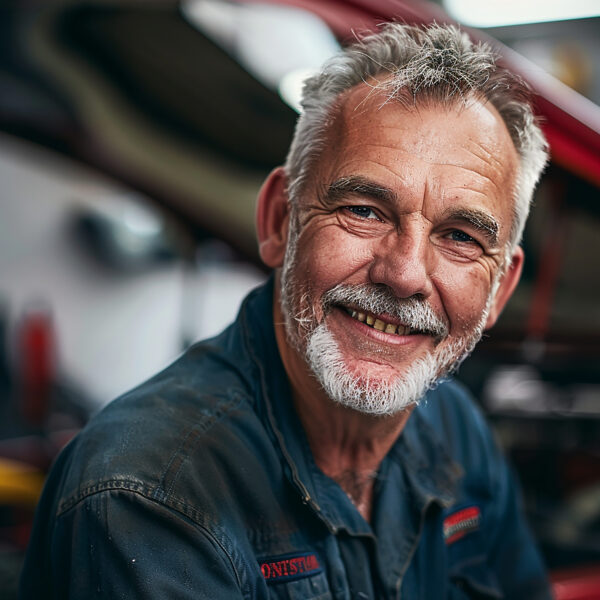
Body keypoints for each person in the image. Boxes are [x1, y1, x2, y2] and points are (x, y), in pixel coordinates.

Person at [20, 23, 552, 599]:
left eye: (459, 237)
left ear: (501, 290)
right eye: (364, 210)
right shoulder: (145, 495)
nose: (404, 275)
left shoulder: (456, 430)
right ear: (280, 220)